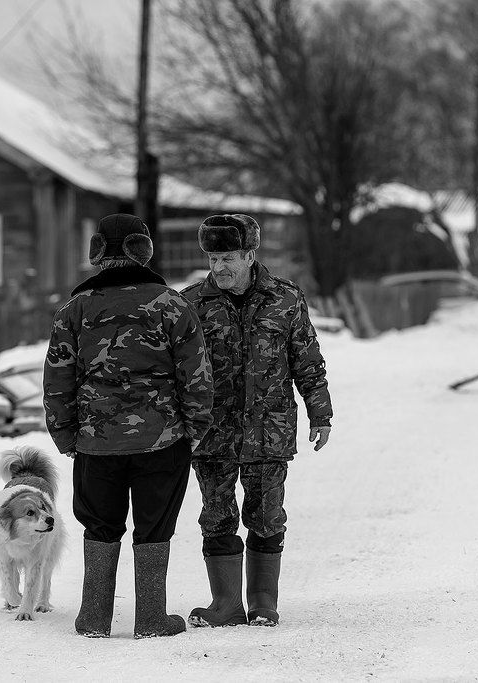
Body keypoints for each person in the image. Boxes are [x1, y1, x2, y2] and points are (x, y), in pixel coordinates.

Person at [43, 213, 213, 639]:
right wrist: (195, 428)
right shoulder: (172, 305)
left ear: (97, 252)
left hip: (96, 445)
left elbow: (57, 378)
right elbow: (196, 374)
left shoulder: (75, 309)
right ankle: (152, 618)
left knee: (100, 525)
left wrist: (65, 434)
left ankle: (94, 618)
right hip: (163, 441)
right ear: (144, 249)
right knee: (154, 525)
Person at [180, 213, 332, 627]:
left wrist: (320, 411)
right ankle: (226, 604)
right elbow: (175, 373)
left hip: (269, 429)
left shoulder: (285, 298)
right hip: (212, 433)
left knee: (267, 515)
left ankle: (263, 601)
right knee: (216, 514)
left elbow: (307, 359)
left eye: (228, 257)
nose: (218, 268)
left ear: (250, 255)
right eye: (212, 258)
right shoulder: (191, 303)